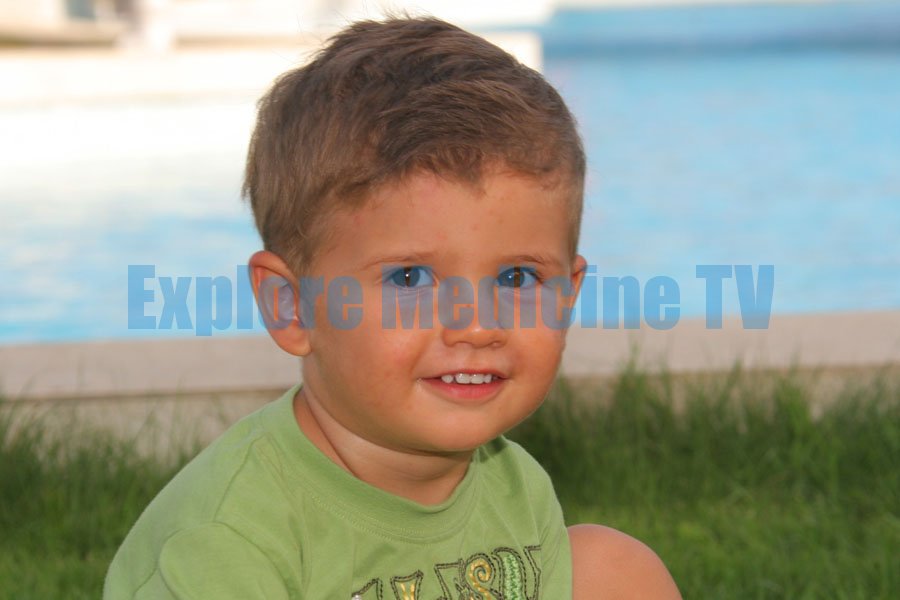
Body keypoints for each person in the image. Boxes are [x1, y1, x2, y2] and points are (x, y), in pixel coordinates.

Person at [104, 16, 680, 599]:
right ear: (292, 306)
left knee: (613, 569)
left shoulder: (514, 487)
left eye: (516, 277)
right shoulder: (229, 541)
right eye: (411, 278)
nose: (477, 324)